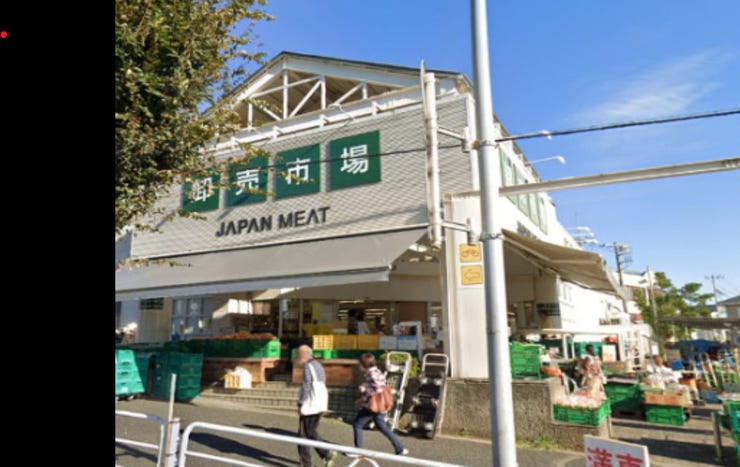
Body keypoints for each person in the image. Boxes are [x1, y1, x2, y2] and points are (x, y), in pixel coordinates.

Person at [350, 353, 408, 457]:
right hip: (379, 405)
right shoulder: (377, 371)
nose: (359, 366)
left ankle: (358, 450)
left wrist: (364, 390)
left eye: (360, 364)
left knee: (357, 425)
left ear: (364, 364)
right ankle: (400, 448)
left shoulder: (372, 373)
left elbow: (378, 389)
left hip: (373, 406)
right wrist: (362, 398)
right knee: (382, 427)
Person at [295, 345, 337, 467]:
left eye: (297, 355)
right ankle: (323, 454)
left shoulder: (308, 367)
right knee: (310, 431)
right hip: (319, 403)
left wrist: (301, 403)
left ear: (301, 356)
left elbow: (307, 385)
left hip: (310, 405)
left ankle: (320, 456)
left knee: (304, 434)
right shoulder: (318, 365)